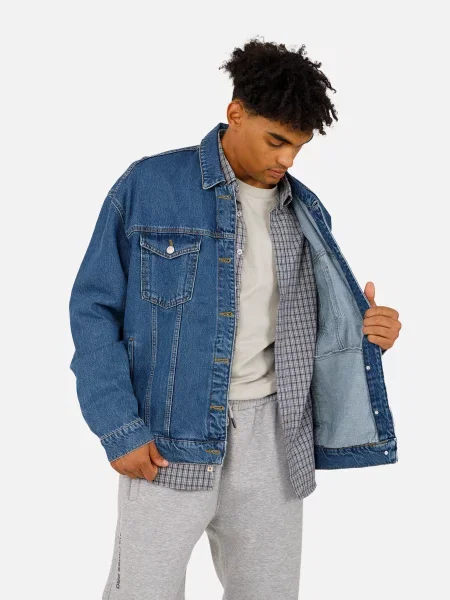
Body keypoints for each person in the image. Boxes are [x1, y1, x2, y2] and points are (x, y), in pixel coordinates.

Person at [69, 37, 401, 600]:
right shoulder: (150, 186)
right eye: (277, 141)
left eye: (298, 147)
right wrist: (117, 426)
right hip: (167, 436)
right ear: (236, 113)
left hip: (274, 437)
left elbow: (313, 327)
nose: (287, 160)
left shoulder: (304, 211)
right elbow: (93, 308)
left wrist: (370, 333)